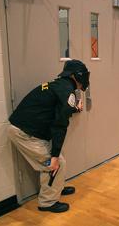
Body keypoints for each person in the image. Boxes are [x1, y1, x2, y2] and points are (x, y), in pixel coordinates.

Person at [8, 59, 90, 212]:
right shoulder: (66, 90)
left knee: (57, 160)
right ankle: (47, 202)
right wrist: (54, 156)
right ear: (75, 76)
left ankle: (56, 187)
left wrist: (73, 108)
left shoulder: (60, 85)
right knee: (54, 163)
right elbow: (60, 125)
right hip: (24, 133)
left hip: (28, 130)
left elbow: (57, 107)